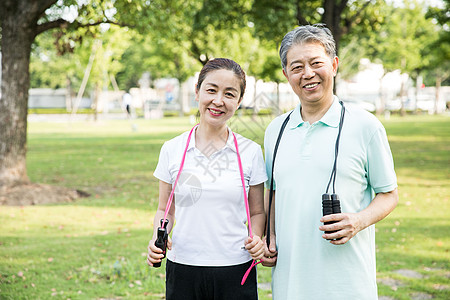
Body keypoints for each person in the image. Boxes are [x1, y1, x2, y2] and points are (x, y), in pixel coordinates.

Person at [262, 24, 398, 299]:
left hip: (347, 286)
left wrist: (358, 221)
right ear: (286, 74)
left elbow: (389, 194)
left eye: (316, 63)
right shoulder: (275, 130)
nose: (308, 74)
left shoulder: (366, 126)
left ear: (334, 65)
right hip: (289, 286)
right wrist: (270, 235)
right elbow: (273, 191)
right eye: (297, 67)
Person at [147, 58, 267, 300]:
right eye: (211, 90)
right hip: (183, 266)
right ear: (197, 92)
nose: (218, 101)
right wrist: (157, 236)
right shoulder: (172, 149)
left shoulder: (251, 152)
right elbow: (165, 209)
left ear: (239, 101)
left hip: (236, 267)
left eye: (229, 94)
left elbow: (257, 211)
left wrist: (256, 238)